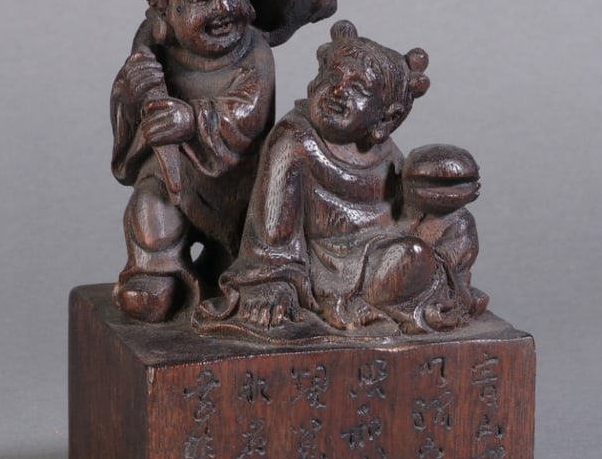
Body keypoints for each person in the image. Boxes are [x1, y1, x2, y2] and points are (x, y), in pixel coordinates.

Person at [197, 20, 486, 336]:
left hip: (388, 243)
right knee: (409, 257)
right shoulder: (294, 140)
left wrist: (431, 203)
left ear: (386, 117)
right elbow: (272, 235)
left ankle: (449, 289)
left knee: (459, 224)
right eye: (333, 77)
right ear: (315, 82)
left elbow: (403, 209)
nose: (337, 91)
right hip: (335, 267)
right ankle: (423, 291)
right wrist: (274, 281)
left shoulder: (383, 149)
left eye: (357, 89)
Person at [110, 0, 336, 321]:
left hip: (240, 184)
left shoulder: (254, 53)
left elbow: (246, 113)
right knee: (151, 203)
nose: (223, 8)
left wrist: (191, 119)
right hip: (175, 176)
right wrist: (132, 92)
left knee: (263, 222)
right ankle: (156, 269)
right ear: (164, 9)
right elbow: (129, 112)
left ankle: (240, 264)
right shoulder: (153, 48)